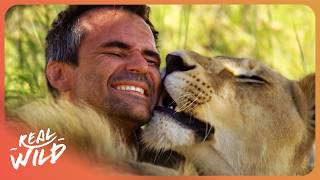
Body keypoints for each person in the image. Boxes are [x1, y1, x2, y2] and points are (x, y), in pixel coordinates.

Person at [45, 5, 161, 147]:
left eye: (151, 61)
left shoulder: (184, 161)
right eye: (115, 53)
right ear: (59, 75)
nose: (142, 66)